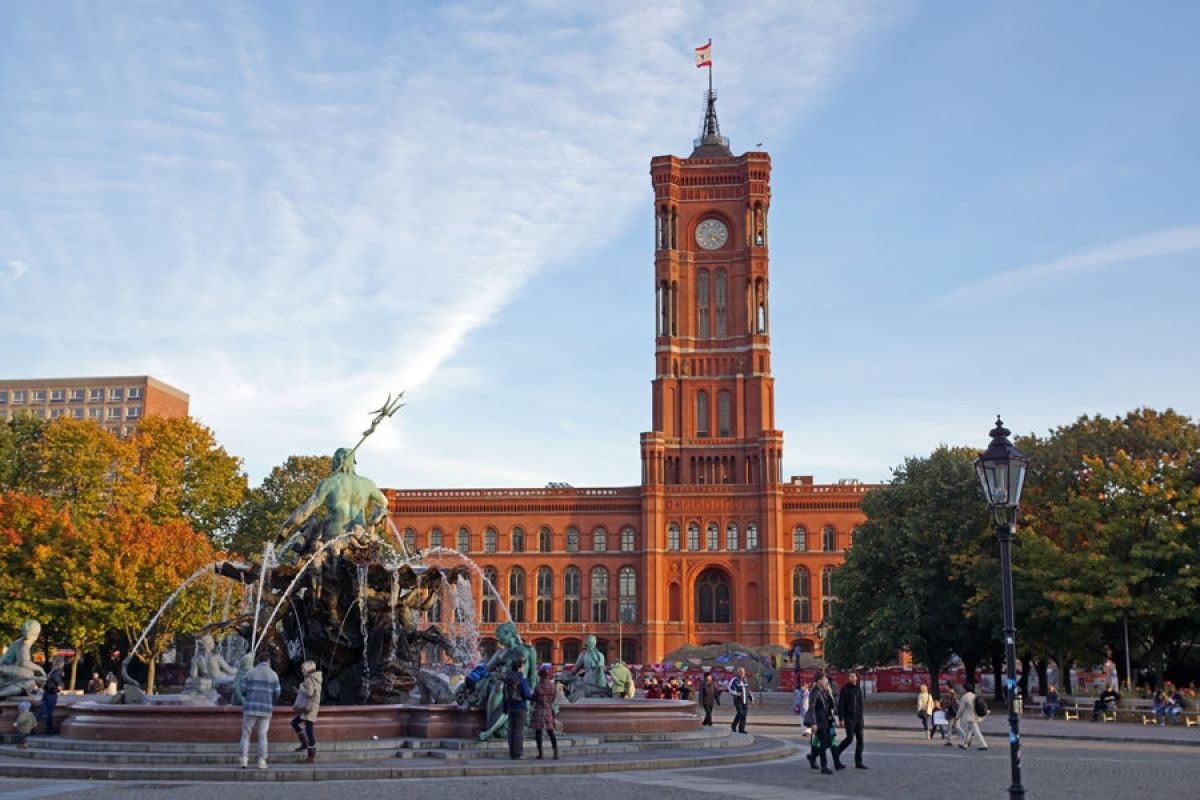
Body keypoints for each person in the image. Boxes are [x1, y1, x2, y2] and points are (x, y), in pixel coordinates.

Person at [276, 446, 392, 557]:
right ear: (353, 462)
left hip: (332, 538)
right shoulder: (368, 484)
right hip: (359, 536)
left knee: (309, 533)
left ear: (339, 461)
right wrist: (376, 517)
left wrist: (285, 528)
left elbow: (304, 513)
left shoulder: (328, 483)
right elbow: (384, 503)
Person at [238, 651, 281, 769]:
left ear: (258, 661)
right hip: (265, 708)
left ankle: (243, 760)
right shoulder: (273, 675)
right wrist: (269, 699)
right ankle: (262, 761)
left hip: (250, 707)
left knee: (246, 734)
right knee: (262, 735)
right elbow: (277, 693)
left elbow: (242, 689)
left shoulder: (250, 673)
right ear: (268, 661)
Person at [805, 672, 843, 774]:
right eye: (824, 679)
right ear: (819, 681)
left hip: (826, 721)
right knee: (823, 743)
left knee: (827, 743)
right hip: (819, 722)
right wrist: (813, 723)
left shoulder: (824, 691)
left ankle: (812, 757)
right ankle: (824, 766)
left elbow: (832, 705)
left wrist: (829, 692)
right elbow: (811, 708)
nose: (826, 681)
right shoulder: (815, 692)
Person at [290, 660, 322, 762]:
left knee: (309, 731)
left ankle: (311, 755)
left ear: (308, 669)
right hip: (312, 707)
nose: (301, 670)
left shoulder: (309, 679)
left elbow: (309, 693)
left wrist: (301, 687)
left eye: (303, 668)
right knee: (295, 723)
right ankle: (304, 744)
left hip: (309, 709)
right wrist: (299, 691)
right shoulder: (315, 678)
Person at [503, 656, 534, 759]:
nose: (524, 667)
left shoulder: (508, 679)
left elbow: (505, 694)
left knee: (511, 730)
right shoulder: (521, 679)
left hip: (510, 707)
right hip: (520, 707)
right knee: (518, 731)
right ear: (519, 668)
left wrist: (504, 708)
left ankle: (512, 753)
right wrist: (534, 697)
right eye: (523, 666)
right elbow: (526, 694)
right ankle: (517, 754)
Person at [835, 670, 867, 768]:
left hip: (858, 718)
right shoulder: (845, 689)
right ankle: (836, 753)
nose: (851, 678)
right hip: (849, 718)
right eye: (850, 676)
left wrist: (861, 717)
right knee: (849, 739)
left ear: (857, 678)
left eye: (853, 676)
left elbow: (861, 704)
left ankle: (858, 762)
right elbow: (841, 705)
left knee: (860, 740)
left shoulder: (858, 689)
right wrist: (841, 719)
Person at [530, 666, 559, 760]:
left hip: (539, 710)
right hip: (548, 710)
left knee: (538, 733)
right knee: (551, 732)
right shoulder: (553, 686)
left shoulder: (538, 687)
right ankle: (556, 752)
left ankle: (541, 753)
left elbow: (533, 698)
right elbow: (554, 698)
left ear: (540, 676)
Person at [956, 684, 988, 750]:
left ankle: (983, 744)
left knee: (976, 731)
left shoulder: (965, 697)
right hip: (975, 715)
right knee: (969, 730)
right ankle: (965, 744)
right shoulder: (974, 695)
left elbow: (961, 709)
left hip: (970, 717)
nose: (962, 690)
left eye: (963, 688)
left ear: (965, 689)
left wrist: (957, 716)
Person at [40, 657, 65, 735]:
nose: (63, 665)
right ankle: (50, 729)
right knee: (50, 712)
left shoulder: (51, 671)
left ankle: (32, 724)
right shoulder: (58, 670)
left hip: (46, 692)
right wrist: (60, 685)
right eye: (63, 664)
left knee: (43, 710)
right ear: (60, 664)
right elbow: (56, 678)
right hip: (52, 693)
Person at [729, 667, 751, 734]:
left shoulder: (745, 680)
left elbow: (748, 690)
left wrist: (751, 698)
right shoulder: (735, 680)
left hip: (745, 700)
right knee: (740, 713)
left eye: (743, 672)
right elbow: (730, 689)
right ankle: (733, 725)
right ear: (738, 673)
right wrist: (736, 693)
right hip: (738, 700)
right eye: (741, 672)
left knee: (744, 714)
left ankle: (741, 729)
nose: (742, 674)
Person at [941, 682, 962, 746]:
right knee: (957, 727)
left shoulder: (949, 693)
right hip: (956, 711)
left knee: (950, 727)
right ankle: (966, 738)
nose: (945, 687)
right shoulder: (956, 693)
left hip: (951, 712)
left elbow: (948, 703)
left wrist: (943, 703)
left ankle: (949, 741)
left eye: (946, 685)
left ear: (948, 686)